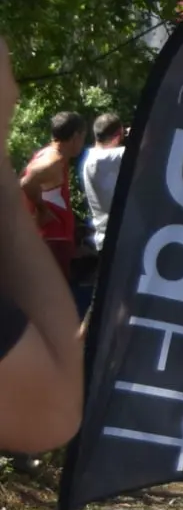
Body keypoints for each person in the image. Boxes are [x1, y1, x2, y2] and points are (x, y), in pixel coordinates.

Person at [0, 38, 83, 452]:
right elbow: (25, 186)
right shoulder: (51, 161)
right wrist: (37, 212)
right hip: (49, 245)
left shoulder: (50, 158)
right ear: (74, 137)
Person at [20, 110, 86, 285]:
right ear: (75, 136)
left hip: (50, 241)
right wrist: (42, 210)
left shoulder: (48, 155)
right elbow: (27, 182)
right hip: (52, 242)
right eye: (83, 136)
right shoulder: (54, 161)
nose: (82, 142)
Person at [74, 112, 124, 312]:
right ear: (117, 135)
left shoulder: (90, 157)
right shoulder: (108, 157)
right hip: (118, 240)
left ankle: (83, 338)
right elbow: (147, 146)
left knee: (103, 300)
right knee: (114, 301)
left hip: (104, 238)